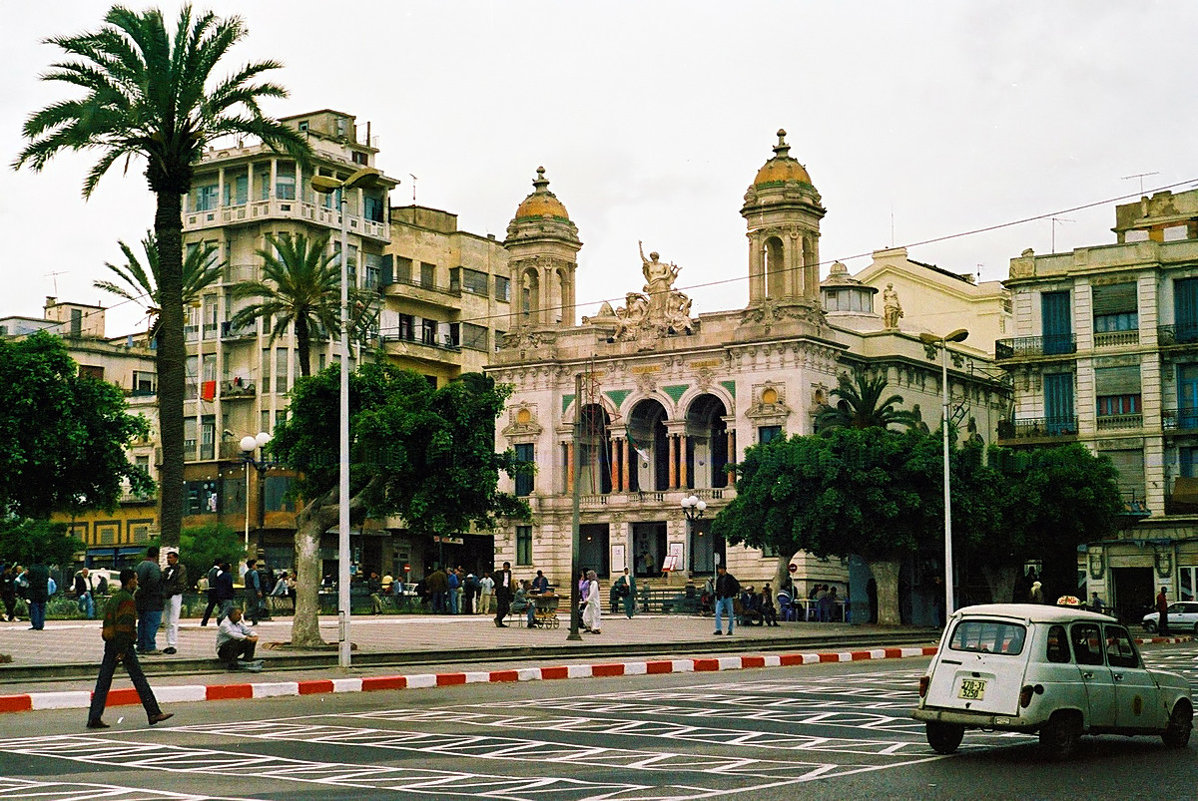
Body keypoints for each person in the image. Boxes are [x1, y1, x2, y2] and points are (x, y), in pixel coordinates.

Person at [86, 568, 173, 729]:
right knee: (138, 678)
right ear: (130, 581)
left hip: (111, 641)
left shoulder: (115, 598)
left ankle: (94, 716)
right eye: (135, 579)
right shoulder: (127, 600)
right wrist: (122, 649)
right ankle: (153, 712)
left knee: (104, 681)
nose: (137, 582)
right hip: (122, 643)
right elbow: (124, 625)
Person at [134, 546, 163, 653]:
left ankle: (141, 645)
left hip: (141, 600)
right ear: (156, 555)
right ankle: (150, 646)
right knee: (152, 623)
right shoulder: (154, 567)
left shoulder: (140, 565)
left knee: (142, 623)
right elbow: (154, 581)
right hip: (153, 600)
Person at [216, 606, 261, 671]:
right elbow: (233, 634)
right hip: (224, 651)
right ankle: (232, 665)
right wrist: (246, 637)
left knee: (251, 641)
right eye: (238, 614)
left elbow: (248, 630)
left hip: (234, 649)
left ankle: (247, 660)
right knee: (234, 641)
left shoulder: (239, 623)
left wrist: (254, 636)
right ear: (232, 615)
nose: (240, 616)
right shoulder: (224, 624)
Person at [161, 550, 187, 654]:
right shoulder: (167, 570)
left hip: (175, 595)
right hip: (167, 595)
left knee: (173, 621)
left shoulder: (180, 569)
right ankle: (169, 642)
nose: (169, 560)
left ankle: (173, 643)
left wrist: (170, 591)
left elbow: (181, 583)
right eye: (168, 558)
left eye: (170, 558)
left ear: (176, 558)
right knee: (167, 621)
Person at [713, 564, 740, 636]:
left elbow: (736, 586)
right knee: (717, 613)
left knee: (730, 614)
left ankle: (730, 629)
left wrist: (731, 593)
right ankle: (718, 629)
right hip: (720, 597)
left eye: (719, 569)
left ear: (723, 569)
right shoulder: (719, 578)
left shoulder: (730, 578)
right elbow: (718, 588)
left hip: (728, 597)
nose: (718, 571)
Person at [24, 562, 51, 630]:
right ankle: (41, 624)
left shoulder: (32, 568)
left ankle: (35, 624)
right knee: (42, 607)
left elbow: (27, 576)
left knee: (35, 606)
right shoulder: (45, 569)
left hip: (34, 590)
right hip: (44, 590)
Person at [199, 558, 221, 626]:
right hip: (217, 590)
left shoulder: (210, 571)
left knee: (210, 607)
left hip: (210, 590)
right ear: (220, 564)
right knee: (222, 606)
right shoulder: (219, 571)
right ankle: (220, 621)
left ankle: (204, 621)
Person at [243, 558, 263, 625]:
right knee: (255, 606)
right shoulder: (254, 572)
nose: (256, 566)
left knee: (250, 604)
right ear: (252, 565)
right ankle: (246, 614)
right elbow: (256, 583)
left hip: (247, 590)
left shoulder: (246, 573)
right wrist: (258, 591)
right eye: (255, 564)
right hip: (253, 590)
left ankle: (255, 621)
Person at [581, 569, 601, 634]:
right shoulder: (591, 584)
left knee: (595, 616)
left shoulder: (594, 583)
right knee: (586, 615)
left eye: (589, 575)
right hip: (590, 603)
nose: (587, 577)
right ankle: (589, 626)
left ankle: (596, 628)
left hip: (594, 603)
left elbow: (592, 593)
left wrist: (587, 599)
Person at [493, 561, 513, 627]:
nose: (505, 568)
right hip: (500, 590)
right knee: (500, 606)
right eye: (504, 567)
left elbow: (509, 582)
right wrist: (497, 583)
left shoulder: (510, 573)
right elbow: (492, 575)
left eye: (507, 567)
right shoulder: (499, 573)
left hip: (506, 590)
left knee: (506, 607)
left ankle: (498, 618)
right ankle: (499, 621)